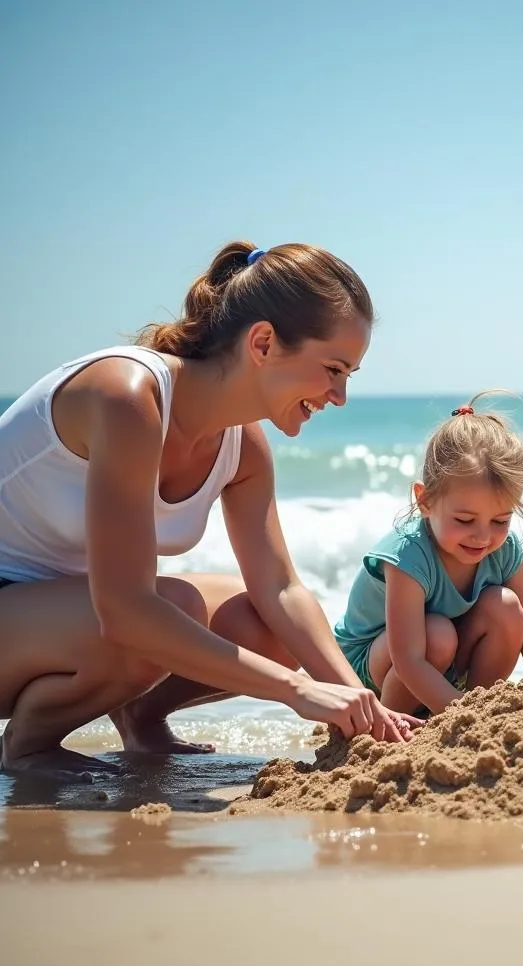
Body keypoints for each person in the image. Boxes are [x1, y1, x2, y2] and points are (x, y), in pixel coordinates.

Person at [0, 240, 414, 779]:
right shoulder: (127, 395)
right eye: (333, 368)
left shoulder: (244, 445)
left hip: (61, 615)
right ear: (262, 342)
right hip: (29, 612)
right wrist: (297, 691)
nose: (339, 396)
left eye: (348, 375)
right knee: (165, 607)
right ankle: (27, 747)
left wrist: (360, 703)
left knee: (258, 620)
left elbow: (281, 589)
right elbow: (125, 610)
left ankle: (141, 719)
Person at [333, 395, 523, 714]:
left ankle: (472, 705)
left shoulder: (503, 548)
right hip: (367, 674)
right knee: (437, 635)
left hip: (438, 665)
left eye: (500, 520)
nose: (483, 536)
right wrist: (463, 716)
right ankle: (393, 726)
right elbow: (409, 660)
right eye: (465, 520)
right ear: (424, 501)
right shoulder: (408, 555)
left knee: (507, 609)